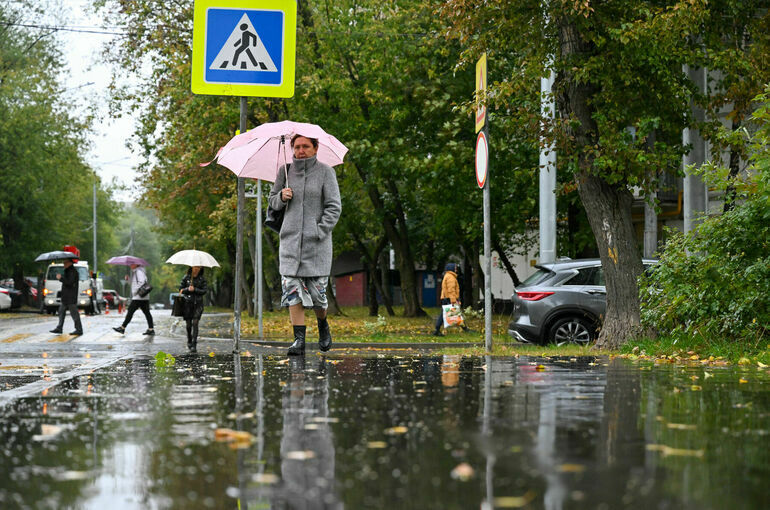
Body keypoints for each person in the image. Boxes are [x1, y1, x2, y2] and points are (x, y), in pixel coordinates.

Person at [268, 134, 342, 356]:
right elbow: (272, 201)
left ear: (315, 147)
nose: (301, 150)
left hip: (316, 246)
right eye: (297, 146)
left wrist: (319, 231)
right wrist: (281, 196)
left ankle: (322, 325)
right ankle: (298, 340)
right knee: (292, 291)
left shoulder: (326, 172)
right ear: (291, 148)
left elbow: (333, 207)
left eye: (305, 146)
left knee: (318, 295)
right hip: (290, 243)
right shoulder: (285, 172)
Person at [113, 263, 154, 335]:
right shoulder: (137, 272)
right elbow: (134, 284)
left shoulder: (139, 272)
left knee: (130, 311)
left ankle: (122, 328)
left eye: (132, 264)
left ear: (136, 264)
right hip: (143, 297)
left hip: (138, 297)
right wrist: (128, 280)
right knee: (147, 313)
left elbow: (141, 282)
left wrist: (135, 292)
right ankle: (151, 329)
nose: (130, 265)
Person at [432, 262, 468, 336]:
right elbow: (451, 290)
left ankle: (437, 329)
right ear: (451, 268)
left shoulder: (448, 276)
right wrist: (453, 300)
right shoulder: (450, 277)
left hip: (447, 298)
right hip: (449, 298)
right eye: (455, 268)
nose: (456, 269)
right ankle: (465, 329)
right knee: (455, 313)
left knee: (446, 314)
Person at [50, 257, 83, 336]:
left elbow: (69, 283)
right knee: (61, 311)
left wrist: (60, 278)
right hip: (66, 297)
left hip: (70, 297)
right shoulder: (68, 271)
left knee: (74, 314)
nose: (64, 264)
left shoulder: (72, 272)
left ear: (69, 263)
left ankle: (79, 329)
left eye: (65, 263)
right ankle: (59, 328)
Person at [179, 266, 207, 351]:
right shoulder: (186, 277)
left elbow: (204, 291)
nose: (196, 269)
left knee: (195, 322)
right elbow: (180, 290)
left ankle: (194, 343)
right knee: (188, 324)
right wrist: (188, 289)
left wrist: (195, 289)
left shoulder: (202, 279)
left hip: (198, 304)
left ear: (200, 269)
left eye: (198, 267)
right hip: (187, 303)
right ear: (191, 268)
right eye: (195, 267)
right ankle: (189, 340)